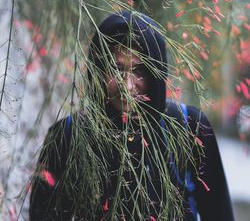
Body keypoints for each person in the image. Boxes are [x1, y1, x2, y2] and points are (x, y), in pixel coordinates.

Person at [30, 11, 234, 221]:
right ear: (98, 70)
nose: (127, 86)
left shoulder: (190, 128)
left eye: (139, 71)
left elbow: (219, 213)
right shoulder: (67, 136)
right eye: (116, 69)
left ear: (156, 74)